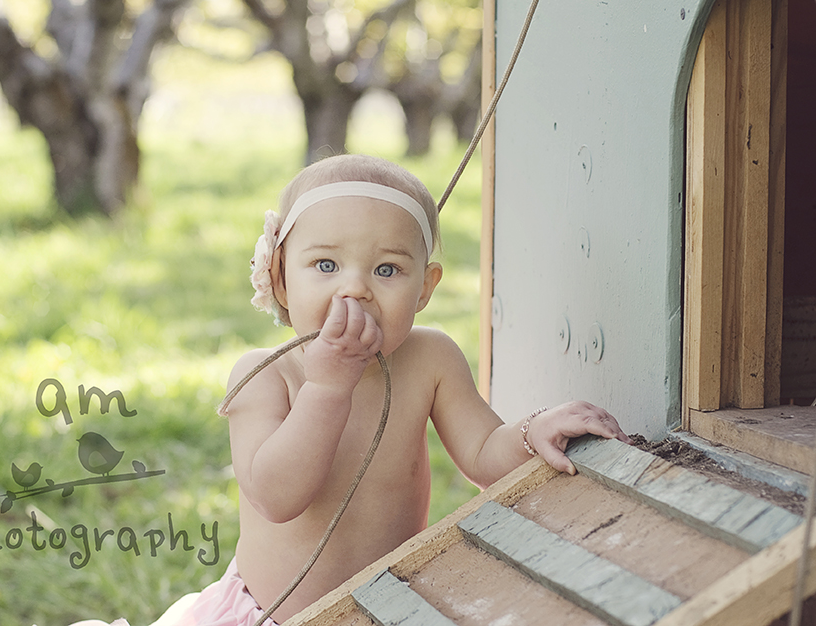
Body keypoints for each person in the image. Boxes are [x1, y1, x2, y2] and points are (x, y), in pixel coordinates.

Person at [76, 154, 629, 626]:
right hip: (279, 615)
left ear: (425, 288)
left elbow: (484, 454)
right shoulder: (266, 375)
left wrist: (532, 431)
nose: (356, 288)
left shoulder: (429, 359)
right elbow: (275, 497)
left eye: (387, 270)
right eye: (326, 264)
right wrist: (326, 387)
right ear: (279, 278)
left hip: (388, 611)